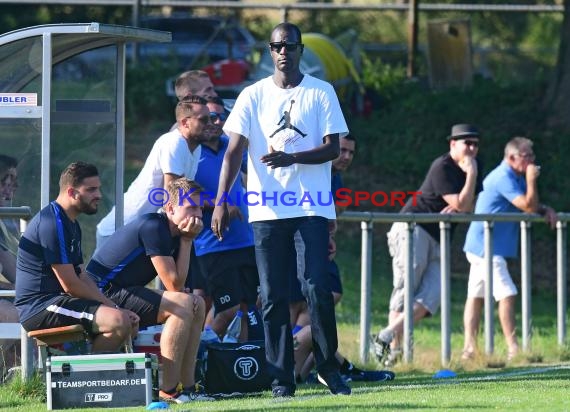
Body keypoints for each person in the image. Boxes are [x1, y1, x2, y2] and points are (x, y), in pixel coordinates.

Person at [212, 22, 351, 397]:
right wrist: (222, 201)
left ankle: (327, 368)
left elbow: (332, 148)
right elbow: (233, 152)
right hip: (267, 211)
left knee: (317, 287)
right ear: (270, 52)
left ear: (301, 49)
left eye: (289, 45)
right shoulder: (252, 95)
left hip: (311, 208)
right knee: (272, 296)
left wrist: (291, 156)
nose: (283, 51)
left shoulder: (321, 92)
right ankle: (280, 378)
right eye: (276, 46)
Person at [86, 178, 212, 404]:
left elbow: (182, 285)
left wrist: (185, 242)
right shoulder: (154, 226)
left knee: (197, 303)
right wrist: (186, 242)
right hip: (102, 294)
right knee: (182, 305)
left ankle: (190, 387)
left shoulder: (180, 233)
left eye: (200, 208)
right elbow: (174, 285)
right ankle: (169, 391)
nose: (199, 215)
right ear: (171, 208)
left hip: (125, 290)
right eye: (191, 207)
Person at [373, 123, 483, 366]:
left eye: (475, 144)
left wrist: (465, 198)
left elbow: (472, 206)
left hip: (440, 236)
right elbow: (465, 206)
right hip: (414, 228)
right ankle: (392, 357)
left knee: (433, 296)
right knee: (406, 291)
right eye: (467, 143)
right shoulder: (442, 166)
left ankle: (384, 335)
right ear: (453, 144)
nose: (472, 149)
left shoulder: (475, 165)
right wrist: (470, 180)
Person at [14, 162, 138, 355]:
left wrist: (112, 306)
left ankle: (104, 378)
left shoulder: (70, 222)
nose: (98, 195)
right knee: (118, 321)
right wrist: (113, 308)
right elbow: (70, 285)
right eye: (91, 190)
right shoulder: (51, 223)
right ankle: (90, 382)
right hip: (40, 307)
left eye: (98, 189)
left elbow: (82, 276)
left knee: (128, 322)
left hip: (59, 302)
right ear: (72, 192)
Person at [462, 137, 556, 361]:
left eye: (532, 155)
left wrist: (544, 209)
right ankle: (513, 348)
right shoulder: (503, 176)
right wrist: (533, 180)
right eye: (528, 156)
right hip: (486, 246)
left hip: (483, 246)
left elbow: (530, 207)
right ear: (512, 158)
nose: (532, 160)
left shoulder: (515, 176)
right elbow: (527, 205)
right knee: (507, 293)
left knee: (476, 296)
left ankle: (469, 350)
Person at [95, 96, 209, 248]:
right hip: (122, 230)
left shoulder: (196, 148)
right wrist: (221, 204)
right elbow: (172, 198)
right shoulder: (174, 143)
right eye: (204, 119)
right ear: (184, 122)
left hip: (145, 231)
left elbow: (184, 197)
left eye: (211, 118)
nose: (210, 123)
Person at [192, 96, 260, 340]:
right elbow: (176, 197)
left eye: (220, 116)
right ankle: (202, 356)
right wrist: (220, 204)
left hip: (246, 240)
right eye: (208, 117)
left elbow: (257, 169)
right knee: (227, 309)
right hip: (213, 245)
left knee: (250, 307)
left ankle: (240, 364)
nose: (215, 121)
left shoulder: (231, 145)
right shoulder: (189, 151)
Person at [0, 155, 20, 379]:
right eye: (4, 182)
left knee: (27, 307)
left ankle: (20, 377)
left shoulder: (6, 220)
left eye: (13, 183)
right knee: (12, 314)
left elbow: (13, 270)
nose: (10, 190)